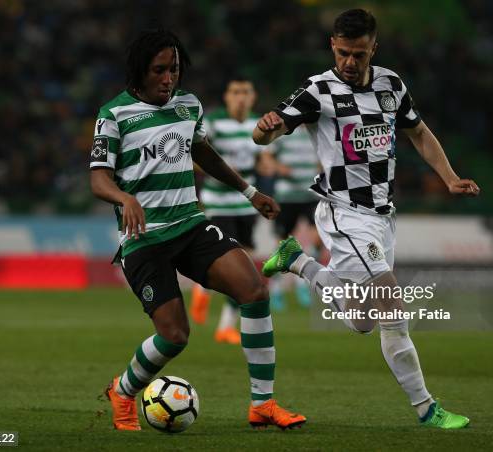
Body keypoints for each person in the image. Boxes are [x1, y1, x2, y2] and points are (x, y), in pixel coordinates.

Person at [253, 9, 479, 429]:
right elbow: (267, 131)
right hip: (343, 213)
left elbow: (419, 133)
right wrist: (265, 129)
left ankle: (297, 261)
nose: (350, 63)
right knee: (393, 307)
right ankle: (427, 408)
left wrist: (449, 178)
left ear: (374, 47)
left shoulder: (391, 84)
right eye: (342, 53)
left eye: (358, 54)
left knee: (360, 320)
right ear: (332, 47)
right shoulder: (318, 90)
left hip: (381, 217)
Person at [90, 29, 305, 431]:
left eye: (174, 69)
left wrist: (249, 190)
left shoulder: (188, 105)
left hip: (190, 224)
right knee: (175, 336)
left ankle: (262, 403)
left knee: (254, 290)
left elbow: (202, 151)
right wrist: (125, 198)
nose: (169, 78)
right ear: (140, 70)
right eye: (160, 70)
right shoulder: (113, 114)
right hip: (144, 240)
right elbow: (98, 180)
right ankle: (122, 390)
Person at [190, 76, 275, 344]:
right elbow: (197, 155)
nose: (240, 97)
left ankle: (225, 327)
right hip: (218, 202)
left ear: (253, 97)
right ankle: (202, 290)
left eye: (245, 92)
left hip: (245, 202)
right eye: (235, 91)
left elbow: (263, 159)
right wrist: (221, 173)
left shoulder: (255, 124)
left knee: (246, 266)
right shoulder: (214, 122)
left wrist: (267, 167)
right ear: (227, 97)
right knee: (224, 259)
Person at [267, 124, 322, 311]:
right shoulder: (283, 132)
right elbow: (266, 156)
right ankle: (275, 290)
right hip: (286, 195)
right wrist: (279, 167)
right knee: (282, 245)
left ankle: (301, 283)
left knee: (321, 236)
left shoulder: (317, 131)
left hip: (311, 194)